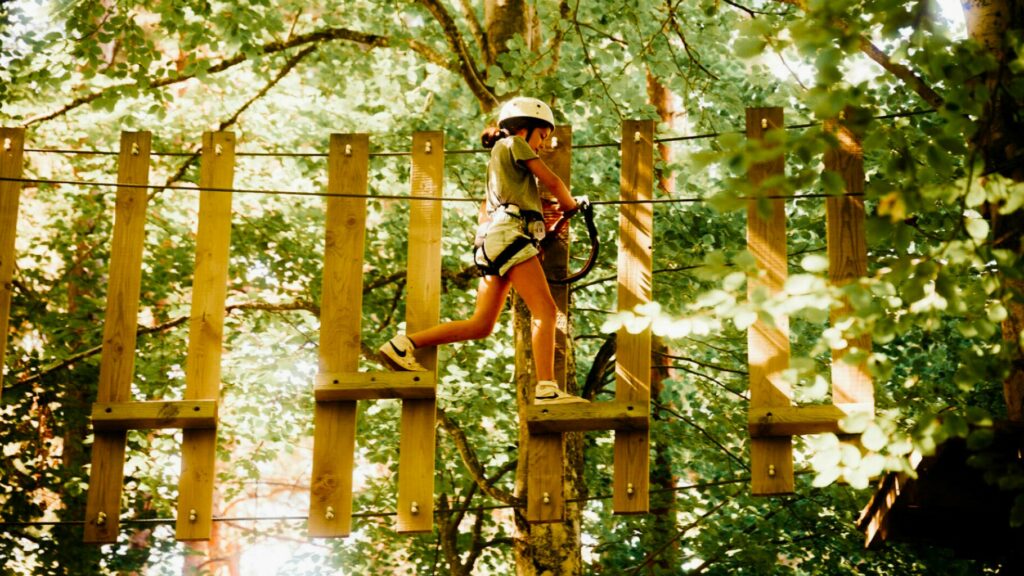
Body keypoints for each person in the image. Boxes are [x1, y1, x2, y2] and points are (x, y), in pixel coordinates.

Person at [379, 96, 588, 404]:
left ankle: (402, 345)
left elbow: (500, 210)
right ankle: (547, 389)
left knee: (481, 325)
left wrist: (546, 218)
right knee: (545, 312)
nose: (543, 144)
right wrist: (572, 207)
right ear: (524, 128)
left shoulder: (500, 170)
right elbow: (555, 182)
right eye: (542, 135)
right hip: (510, 236)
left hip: (495, 241)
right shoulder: (514, 145)